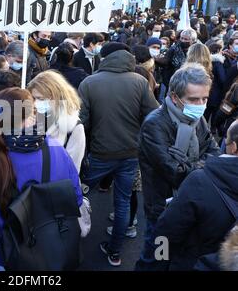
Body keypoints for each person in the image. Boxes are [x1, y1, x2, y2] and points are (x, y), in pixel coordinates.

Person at [0, 87, 83, 271]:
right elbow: (76, 198)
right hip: (52, 248)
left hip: (3, 257)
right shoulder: (56, 148)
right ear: (32, 116)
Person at [78, 42, 159, 266]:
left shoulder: (90, 82)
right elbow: (153, 115)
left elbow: (81, 121)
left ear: (105, 58)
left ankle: (68, 240)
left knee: (78, 192)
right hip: (130, 153)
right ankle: (115, 252)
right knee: (122, 203)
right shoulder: (140, 81)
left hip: (100, 153)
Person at [136, 63, 220, 271]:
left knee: (178, 257)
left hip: (189, 205)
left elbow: (215, 152)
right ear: (175, 97)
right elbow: (175, 173)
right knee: (156, 257)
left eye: (205, 99)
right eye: (194, 99)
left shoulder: (197, 119)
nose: (201, 105)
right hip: (162, 210)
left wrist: (191, 163)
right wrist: (203, 164)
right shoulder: (155, 124)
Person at [149, 120, 238, 270]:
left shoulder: (199, 181)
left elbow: (165, 233)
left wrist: (157, 261)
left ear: (234, 147)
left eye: (226, 140)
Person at [27, 70, 85, 174]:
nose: (35, 103)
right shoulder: (33, 118)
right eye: (33, 98)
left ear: (55, 96)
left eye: (40, 98)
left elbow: (72, 168)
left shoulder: (74, 127)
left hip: (54, 184)